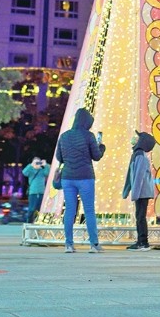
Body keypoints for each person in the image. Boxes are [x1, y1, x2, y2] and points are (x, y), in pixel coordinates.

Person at [55, 106, 106, 253]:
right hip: (85, 177)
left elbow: (59, 157)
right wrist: (101, 146)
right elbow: (96, 156)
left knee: (70, 210)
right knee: (89, 210)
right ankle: (94, 245)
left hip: (67, 178)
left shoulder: (64, 136)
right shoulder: (89, 136)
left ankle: (69, 245)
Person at [122, 131, 157, 250]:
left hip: (143, 192)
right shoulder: (137, 154)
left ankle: (143, 242)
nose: (134, 139)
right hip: (141, 191)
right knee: (139, 215)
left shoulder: (140, 156)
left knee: (140, 216)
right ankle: (141, 241)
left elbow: (139, 176)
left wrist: (135, 193)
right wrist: (127, 190)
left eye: (137, 138)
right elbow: (130, 175)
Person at [22, 157, 49, 223]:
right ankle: (29, 222)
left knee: (40, 209)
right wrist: (31, 165)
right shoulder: (31, 170)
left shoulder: (42, 171)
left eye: (38, 162)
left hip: (41, 193)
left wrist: (46, 165)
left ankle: (38, 222)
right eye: (36, 163)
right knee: (31, 209)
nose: (37, 164)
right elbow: (24, 172)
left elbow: (48, 173)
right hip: (33, 193)